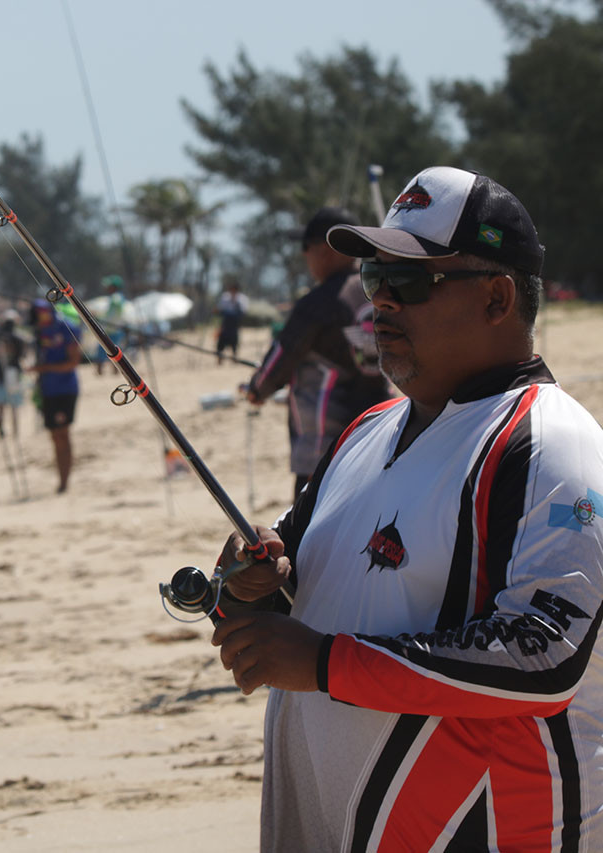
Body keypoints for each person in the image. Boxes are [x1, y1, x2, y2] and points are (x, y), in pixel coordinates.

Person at [210, 166, 603, 850]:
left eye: (410, 282)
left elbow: (543, 657)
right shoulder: (367, 429)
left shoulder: (551, 443)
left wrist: (323, 663)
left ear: (497, 297)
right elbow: (295, 580)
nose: (380, 303)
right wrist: (246, 588)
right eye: (372, 279)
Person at [245, 206, 391, 500]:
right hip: (379, 433)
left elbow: (280, 360)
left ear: (326, 250)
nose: (304, 256)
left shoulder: (317, 303)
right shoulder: (378, 292)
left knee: (307, 534)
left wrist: (257, 390)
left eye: (306, 247)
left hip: (324, 449)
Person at [29, 299, 80, 493]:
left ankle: (64, 483)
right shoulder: (38, 332)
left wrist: (43, 368)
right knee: (54, 436)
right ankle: (61, 481)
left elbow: (73, 362)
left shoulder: (67, 327)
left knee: (63, 435)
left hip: (65, 389)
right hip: (46, 390)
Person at [0, 309, 27, 437]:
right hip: (2, 374)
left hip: (12, 373)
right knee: (2, 404)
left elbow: (22, 354)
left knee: (9, 404)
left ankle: (13, 430)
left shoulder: (17, 337)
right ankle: (5, 429)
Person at [95, 275, 128, 375]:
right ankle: (111, 372)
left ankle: (106, 372)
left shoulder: (116, 298)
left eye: (109, 286)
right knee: (113, 351)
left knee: (108, 351)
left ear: (114, 287)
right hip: (112, 329)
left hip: (113, 329)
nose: (107, 288)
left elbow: (114, 311)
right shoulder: (117, 298)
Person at [215, 279, 250, 365]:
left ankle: (234, 357)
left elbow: (243, 311)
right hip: (226, 322)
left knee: (234, 341)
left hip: (235, 323)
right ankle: (220, 357)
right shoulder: (225, 297)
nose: (232, 291)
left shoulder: (242, 298)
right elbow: (220, 309)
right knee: (221, 341)